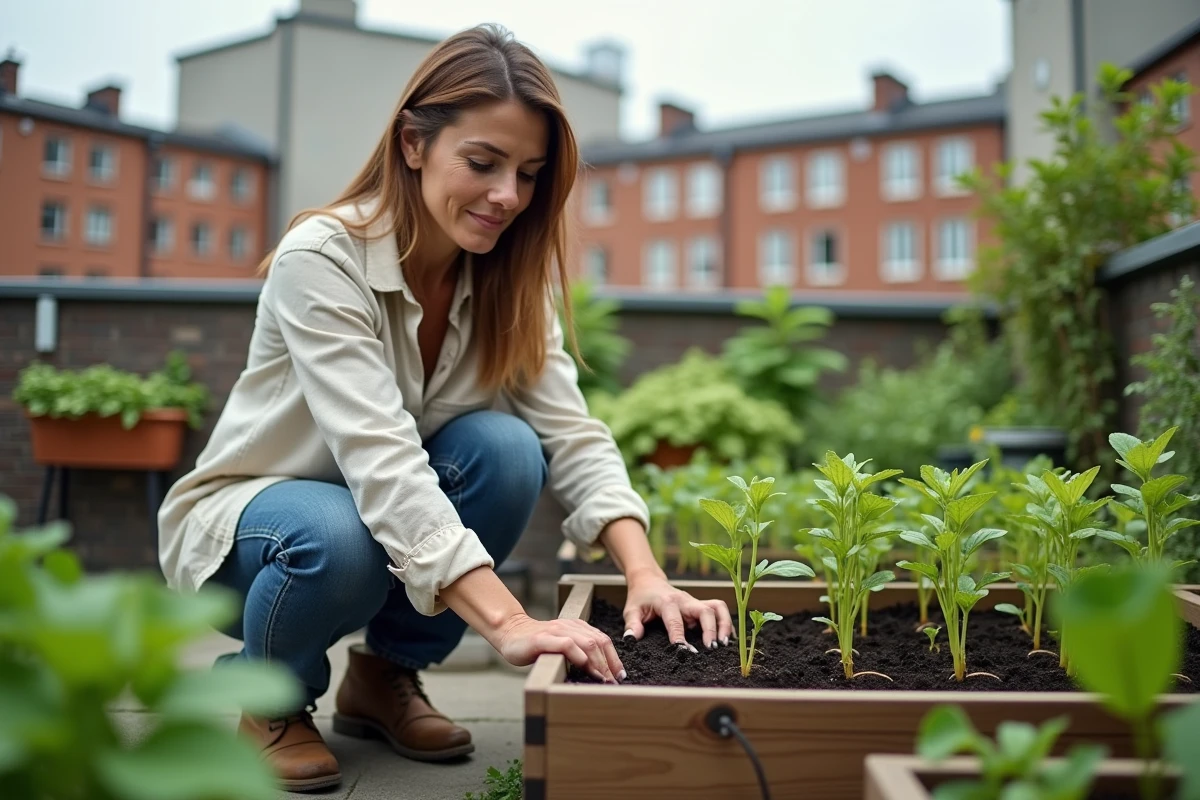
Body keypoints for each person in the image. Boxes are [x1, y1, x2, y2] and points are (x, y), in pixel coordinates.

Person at [157, 23, 733, 793]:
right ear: (412, 144)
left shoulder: (506, 283)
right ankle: (270, 699)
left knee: (506, 449)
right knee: (340, 531)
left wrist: (646, 573)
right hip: (250, 540)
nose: (508, 196)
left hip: (371, 529)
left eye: (528, 174)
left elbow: (573, 435)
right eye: (484, 163)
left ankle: (385, 677)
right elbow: (383, 463)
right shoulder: (322, 261)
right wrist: (511, 624)